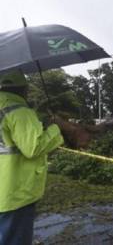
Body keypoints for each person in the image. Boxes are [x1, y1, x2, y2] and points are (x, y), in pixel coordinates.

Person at [0, 70, 64, 245]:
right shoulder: (17, 110)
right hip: (14, 193)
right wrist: (56, 128)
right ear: (23, 89)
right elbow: (34, 147)